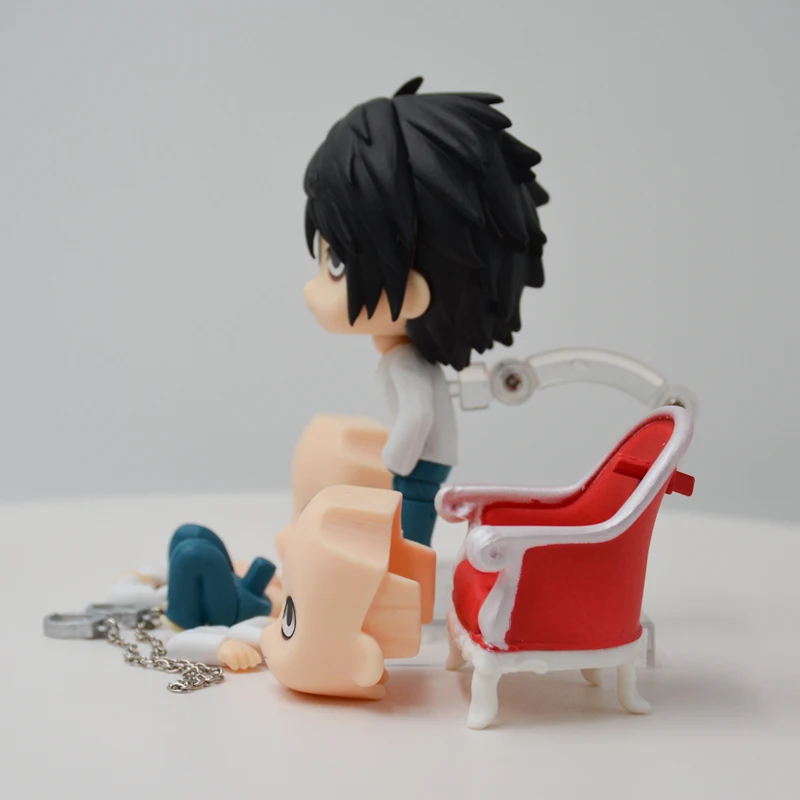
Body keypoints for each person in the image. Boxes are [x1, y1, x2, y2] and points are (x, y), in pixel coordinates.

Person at [302, 76, 549, 547]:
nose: (313, 288)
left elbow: (416, 416)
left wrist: (391, 464)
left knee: (410, 531)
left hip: (420, 465)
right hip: (427, 460)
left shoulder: (406, 362)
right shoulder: (406, 357)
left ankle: (411, 579)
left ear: (415, 291)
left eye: (337, 264)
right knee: (407, 523)